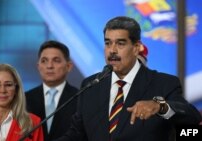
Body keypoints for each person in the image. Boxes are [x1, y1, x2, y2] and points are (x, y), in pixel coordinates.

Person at [54, 16, 202, 141]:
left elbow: (192, 118)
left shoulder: (164, 83)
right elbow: (76, 135)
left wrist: (160, 107)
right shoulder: (91, 85)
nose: (112, 50)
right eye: (107, 43)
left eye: (120, 43)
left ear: (136, 47)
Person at [25, 40, 79, 141]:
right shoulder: (25, 99)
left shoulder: (80, 98)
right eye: (44, 61)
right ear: (38, 66)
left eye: (56, 60)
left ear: (69, 66)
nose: (49, 66)